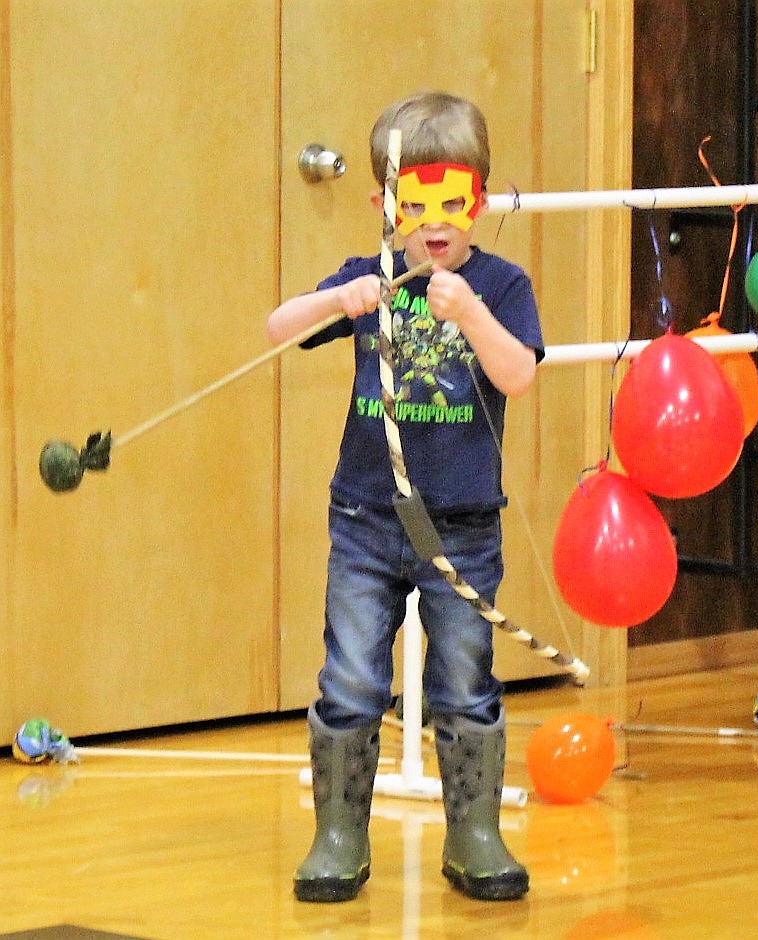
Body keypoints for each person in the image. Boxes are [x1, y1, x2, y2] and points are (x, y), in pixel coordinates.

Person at [267, 91, 542, 904]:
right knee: (351, 677)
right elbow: (278, 327)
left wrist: (475, 314)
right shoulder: (370, 279)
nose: (434, 223)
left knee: (465, 679)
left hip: (460, 524)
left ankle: (475, 835)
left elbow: (518, 373)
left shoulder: (501, 283)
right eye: (413, 203)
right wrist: (336, 301)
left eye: (450, 203)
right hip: (365, 519)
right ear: (386, 204)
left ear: (478, 203)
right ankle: (339, 836)